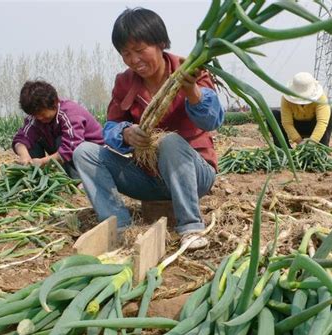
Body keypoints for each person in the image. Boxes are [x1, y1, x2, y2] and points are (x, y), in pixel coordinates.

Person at [73, 8, 224, 250]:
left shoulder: (189, 70)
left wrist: (193, 93)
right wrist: (125, 133)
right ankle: (120, 227)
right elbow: (110, 127)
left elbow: (213, 120)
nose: (134, 60)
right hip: (148, 178)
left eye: (140, 50)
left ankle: (191, 227)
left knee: (170, 142)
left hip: (194, 174)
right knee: (84, 152)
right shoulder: (124, 82)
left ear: (161, 43)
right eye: (126, 53)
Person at [12, 80, 104, 179]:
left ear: (55, 102)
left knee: (60, 141)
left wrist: (43, 162)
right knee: (31, 142)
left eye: (42, 113)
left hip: (94, 158)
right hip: (66, 153)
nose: (39, 118)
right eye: (35, 115)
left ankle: (78, 180)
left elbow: (70, 148)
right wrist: (24, 156)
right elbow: (21, 139)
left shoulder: (69, 112)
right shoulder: (36, 118)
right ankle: (36, 177)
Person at [272, 72, 332, 148]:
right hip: (297, 126)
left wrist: (312, 142)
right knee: (273, 115)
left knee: (330, 114)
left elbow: (322, 122)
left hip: (313, 126)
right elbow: (287, 123)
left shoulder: (320, 97)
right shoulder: (286, 99)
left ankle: (322, 148)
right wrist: (299, 141)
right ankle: (284, 150)